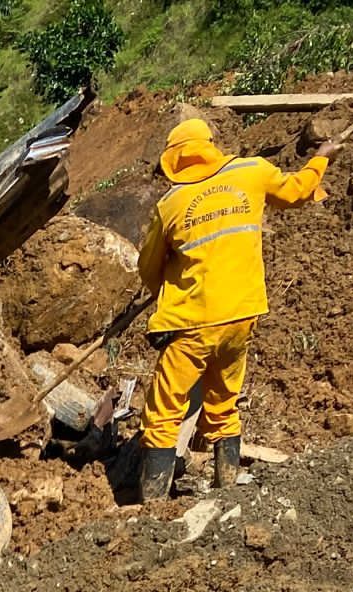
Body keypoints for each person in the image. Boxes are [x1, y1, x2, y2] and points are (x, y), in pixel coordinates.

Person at [136, 117, 340, 501]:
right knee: (222, 400)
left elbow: (148, 268)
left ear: (174, 161)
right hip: (242, 316)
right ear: (212, 145)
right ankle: (226, 491)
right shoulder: (253, 172)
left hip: (191, 324)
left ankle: (152, 505)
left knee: (163, 411)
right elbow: (297, 191)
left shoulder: (171, 205)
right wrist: (321, 159)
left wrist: (170, 289)